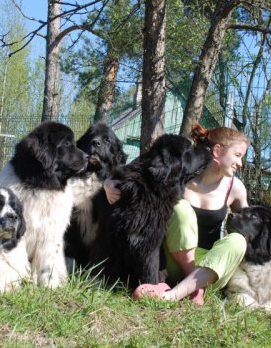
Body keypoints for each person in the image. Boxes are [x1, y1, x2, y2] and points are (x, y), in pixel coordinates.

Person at [103, 124, 250, 305]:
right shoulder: (183, 173)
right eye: (237, 155)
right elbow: (141, 170)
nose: (240, 163)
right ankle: (188, 290)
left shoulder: (236, 188)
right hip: (175, 262)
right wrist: (108, 182)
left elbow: (251, 225)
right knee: (181, 209)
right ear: (218, 150)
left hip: (210, 268)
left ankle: (172, 294)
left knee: (238, 240)